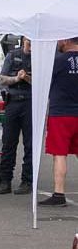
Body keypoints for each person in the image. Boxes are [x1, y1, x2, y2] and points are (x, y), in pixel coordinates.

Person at [39, 37, 78, 207]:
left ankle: (59, 193)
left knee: (60, 154)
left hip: (61, 112)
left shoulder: (57, 61)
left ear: (67, 40)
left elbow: (44, 84)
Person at [0, 36, 33, 195]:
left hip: (30, 102)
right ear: (23, 40)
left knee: (30, 144)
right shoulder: (12, 55)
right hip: (12, 102)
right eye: (29, 42)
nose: (31, 46)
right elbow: (2, 79)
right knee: (8, 143)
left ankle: (27, 181)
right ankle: (5, 180)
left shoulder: (38, 57)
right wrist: (17, 78)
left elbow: (43, 82)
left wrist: (27, 78)